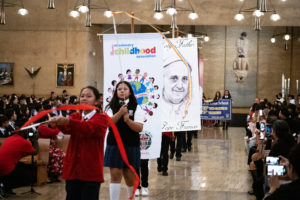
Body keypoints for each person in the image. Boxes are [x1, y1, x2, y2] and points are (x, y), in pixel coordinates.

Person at [49, 86, 108, 200]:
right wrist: (57, 122)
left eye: (89, 96)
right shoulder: (76, 116)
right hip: (73, 170)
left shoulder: (101, 118)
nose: (84, 99)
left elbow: (88, 128)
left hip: (90, 171)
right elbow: (67, 129)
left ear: (96, 101)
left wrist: (68, 121)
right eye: (82, 96)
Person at [104, 81, 144, 200]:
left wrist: (128, 120)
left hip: (131, 145)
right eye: (119, 89)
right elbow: (108, 124)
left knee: (129, 176)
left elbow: (139, 128)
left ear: (130, 92)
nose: (122, 91)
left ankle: (132, 198)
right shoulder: (109, 106)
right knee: (115, 175)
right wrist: (120, 113)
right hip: (114, 144)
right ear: (116, 92)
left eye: (125, 89)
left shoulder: (137, 107)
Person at [0, 129, 37, 196]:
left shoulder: (9, 138)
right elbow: (35, 152)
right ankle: (5, 187)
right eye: (27, 131)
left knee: (22, 166)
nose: (28, 133)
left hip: (2, 165)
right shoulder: (25, 142)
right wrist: (35, 139)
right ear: (23, 132)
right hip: (7, 167)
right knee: (32, 173)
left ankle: (7, 188)